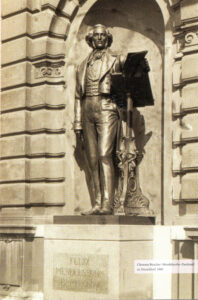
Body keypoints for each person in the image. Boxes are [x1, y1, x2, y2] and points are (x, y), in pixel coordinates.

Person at [74, 24, 125, 215]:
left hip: (106, 108)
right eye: (96, 35)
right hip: (87, 109)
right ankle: (97, 203)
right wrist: (77, 121)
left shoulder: (116, 59)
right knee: (92, 159)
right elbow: (78, 95)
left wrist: (116, 104)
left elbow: (123, 89)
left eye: (103, 35)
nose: (100, 38)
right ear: (90, 39)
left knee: (105, 154)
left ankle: (108, 203)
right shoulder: (81, 65)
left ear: (108, 38)